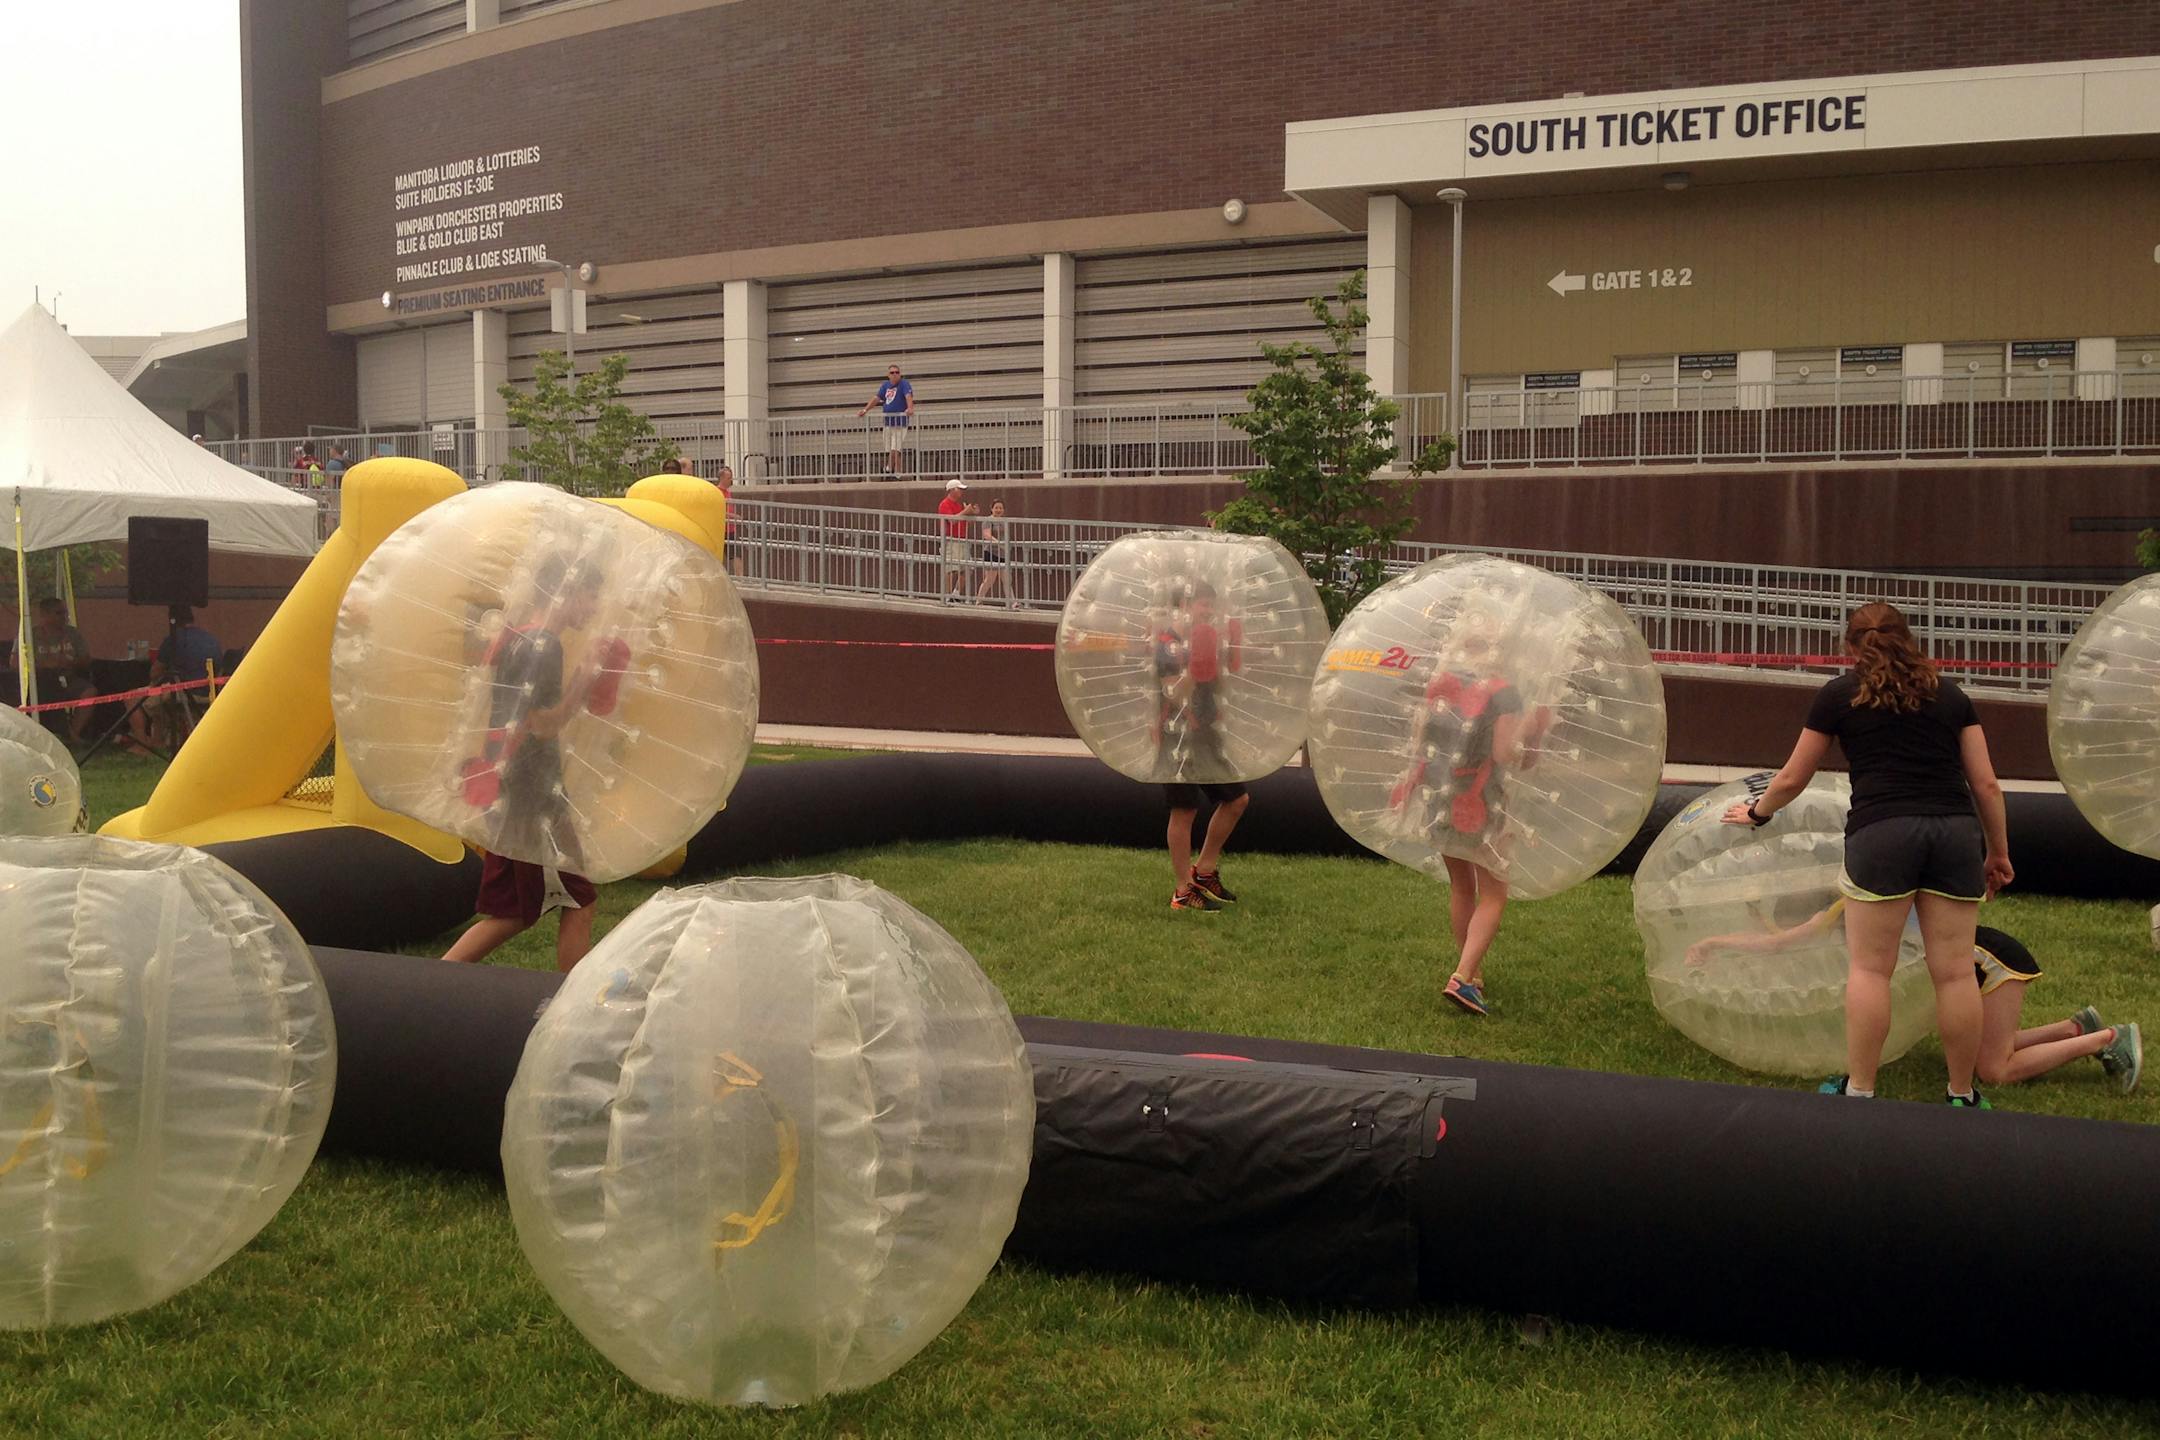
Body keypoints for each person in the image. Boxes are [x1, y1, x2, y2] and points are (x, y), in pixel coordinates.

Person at [1724, 600, 2011, 1108]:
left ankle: (1859, 1091)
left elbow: (1792, 777)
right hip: (1953, 834)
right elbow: (1986, 784)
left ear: (1850, 647)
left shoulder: (1838, 695)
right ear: (1911, 640)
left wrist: (1758, 813)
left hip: (1882, 834)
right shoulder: (1951, 696)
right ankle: (1962, 1095)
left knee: (1869, 971)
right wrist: (1997, 852)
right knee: (1952, 973)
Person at [1687, 909, 2141, 1094]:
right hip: (1980, 961)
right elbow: (1780, 943)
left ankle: (2107, 1039)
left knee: (1994, 1069)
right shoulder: (1847, 909)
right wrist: (1715, 944)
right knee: (1985, 1048)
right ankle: (2073, 1028)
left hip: (1991, 961)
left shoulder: (1874, 898)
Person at [443, 556, 609, 972]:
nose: (592, 609)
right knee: (578, 897)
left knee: (517, 909)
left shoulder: (518, 635)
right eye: (590, 597)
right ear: (566, 592)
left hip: (513, 780)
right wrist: (584, 680)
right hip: (532, 787)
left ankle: (435, 977)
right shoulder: (545, 645)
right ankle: (572, 1004)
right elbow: (543, 725)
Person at [1389, 621, 1541, 1018]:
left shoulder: (1444, 683)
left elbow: (1421, 740)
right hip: (1482, 800)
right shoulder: (1505, 693)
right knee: (1494, 892)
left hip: (1440, 796)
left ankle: (1471, 974)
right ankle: (1462, 978)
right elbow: (1507, 753)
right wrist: (1535, 733)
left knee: (1461, 886)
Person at [136, 606, 223, 749]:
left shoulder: (173, 639)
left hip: (182, 694)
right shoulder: (211, 639)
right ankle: (159, 741)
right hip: (209, 694)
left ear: (172, 621)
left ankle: (143, 746)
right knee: (158, 702)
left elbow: (155, 673)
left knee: (132, 699)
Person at [19, 598, 100, 742]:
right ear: (45, 614)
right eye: (59, 613)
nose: (64, 617)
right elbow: (15, 663)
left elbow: (86, 659)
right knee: (50, 689)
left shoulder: (73, 634)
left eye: (65, 613)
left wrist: (70, 663)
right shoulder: (29, 635)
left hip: (68, 678)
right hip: (41, 683)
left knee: (90, 692)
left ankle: (73, 734)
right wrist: (43, 665)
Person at [1167, 782, 1248, 912]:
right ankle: (1183, 892)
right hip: (1177, 762)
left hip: (1204, 760)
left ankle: (1203, 873)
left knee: (1237, 800)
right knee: (1183, 809)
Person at [857, 363, 915, 477]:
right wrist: (865, 410)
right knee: (892, 450)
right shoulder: (885, 385)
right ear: (888, 375)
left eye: (897, 372)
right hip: (888, 422)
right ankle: (898, 473)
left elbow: (908, 396)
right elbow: (876, 398)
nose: (895, 375)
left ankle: (888, 468)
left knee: (895, 447)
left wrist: (910, 408)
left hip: (900, 422)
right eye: (892, 373)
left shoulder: (904, 384)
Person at [937, 479, 975, 601]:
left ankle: (956, 593)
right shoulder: (945, 504)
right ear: (952, 490)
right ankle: (948, 595)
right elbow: (952, 520)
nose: (961, 492)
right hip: (951, 540)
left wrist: (972, 513)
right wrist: (965, 511)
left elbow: (967, 521)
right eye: (959, 489)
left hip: (962, 539)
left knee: (967, 569)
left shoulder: (959, 505)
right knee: (951, 569)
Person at [975, 499, 1013, 605]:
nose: (998, 510)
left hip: (1002, 553)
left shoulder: (1004, 521)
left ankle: (1012, 602)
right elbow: (987, 535)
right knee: (990, 579)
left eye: (1000, 508)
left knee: (1006, 579)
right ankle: (979, 599)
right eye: (996, 507)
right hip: (991, 552)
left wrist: (1005, 546)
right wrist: (999, 543)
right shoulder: (988, 520)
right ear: (991, 509)